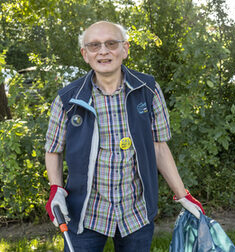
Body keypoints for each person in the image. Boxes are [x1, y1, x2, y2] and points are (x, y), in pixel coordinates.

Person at [45, 21, 204, 252]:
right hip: (85, 214)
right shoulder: (67, 99)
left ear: (125, 49)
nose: (103, 51)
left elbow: (160, 147)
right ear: (85, 54)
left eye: (111, 43)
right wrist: (56, 189)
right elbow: (53, 149)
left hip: (136, 213)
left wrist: (183, 195)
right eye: (94, 45)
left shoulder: (148, 90)